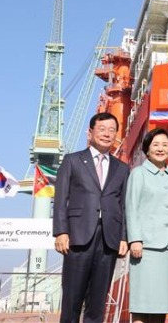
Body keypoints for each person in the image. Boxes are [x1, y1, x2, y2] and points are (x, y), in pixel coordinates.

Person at [53, 112, 130, 323]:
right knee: (72, 300)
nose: (107, 134)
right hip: (78, 236)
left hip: (108, 239)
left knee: (97, 302)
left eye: (112, 130)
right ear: (90, 132)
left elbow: (123, 206)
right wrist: (61, 231)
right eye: (102, 129)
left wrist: (123, 237)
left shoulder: (122, 169)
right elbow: (61, 198)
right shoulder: (73, 161)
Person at [125, 128, 168, 323]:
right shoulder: (138, 174)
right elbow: (131, 208)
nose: (160, 148)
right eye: (156, 145)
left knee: (162, 306)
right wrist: (135, 239)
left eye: (165, 145)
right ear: (147, 149)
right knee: (142, 306)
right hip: (146, 248)